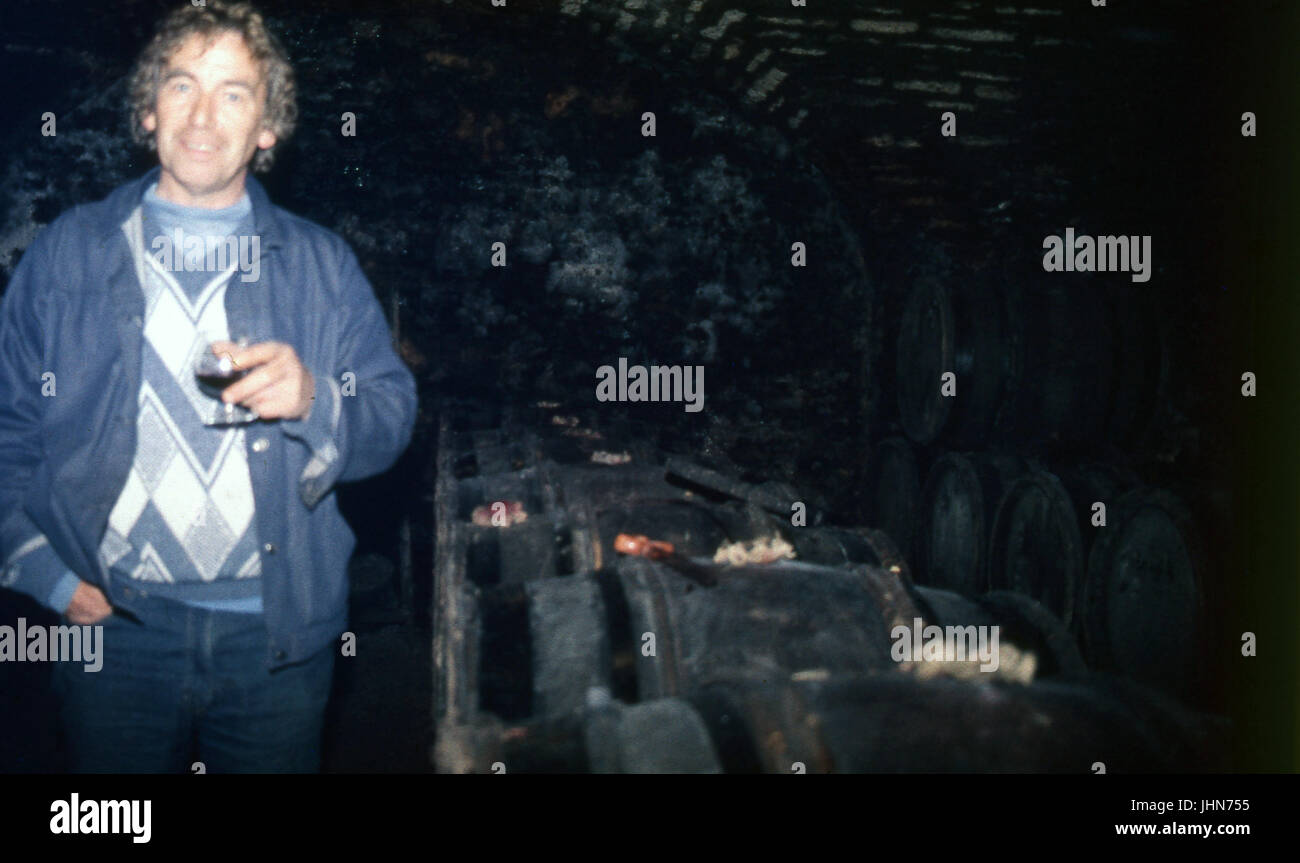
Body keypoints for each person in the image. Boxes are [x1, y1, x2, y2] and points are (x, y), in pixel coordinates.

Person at [0, 1, 417, 772]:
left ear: (267, 128)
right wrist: (44, 573)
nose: (202, 114)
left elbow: (393, 415)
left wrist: (316, 397)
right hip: (113, 629)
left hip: (275, 638)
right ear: (149, 111)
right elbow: (6, 426)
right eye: (181, 85)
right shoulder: (68, 254)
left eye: (234, 92)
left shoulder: (321, 264)